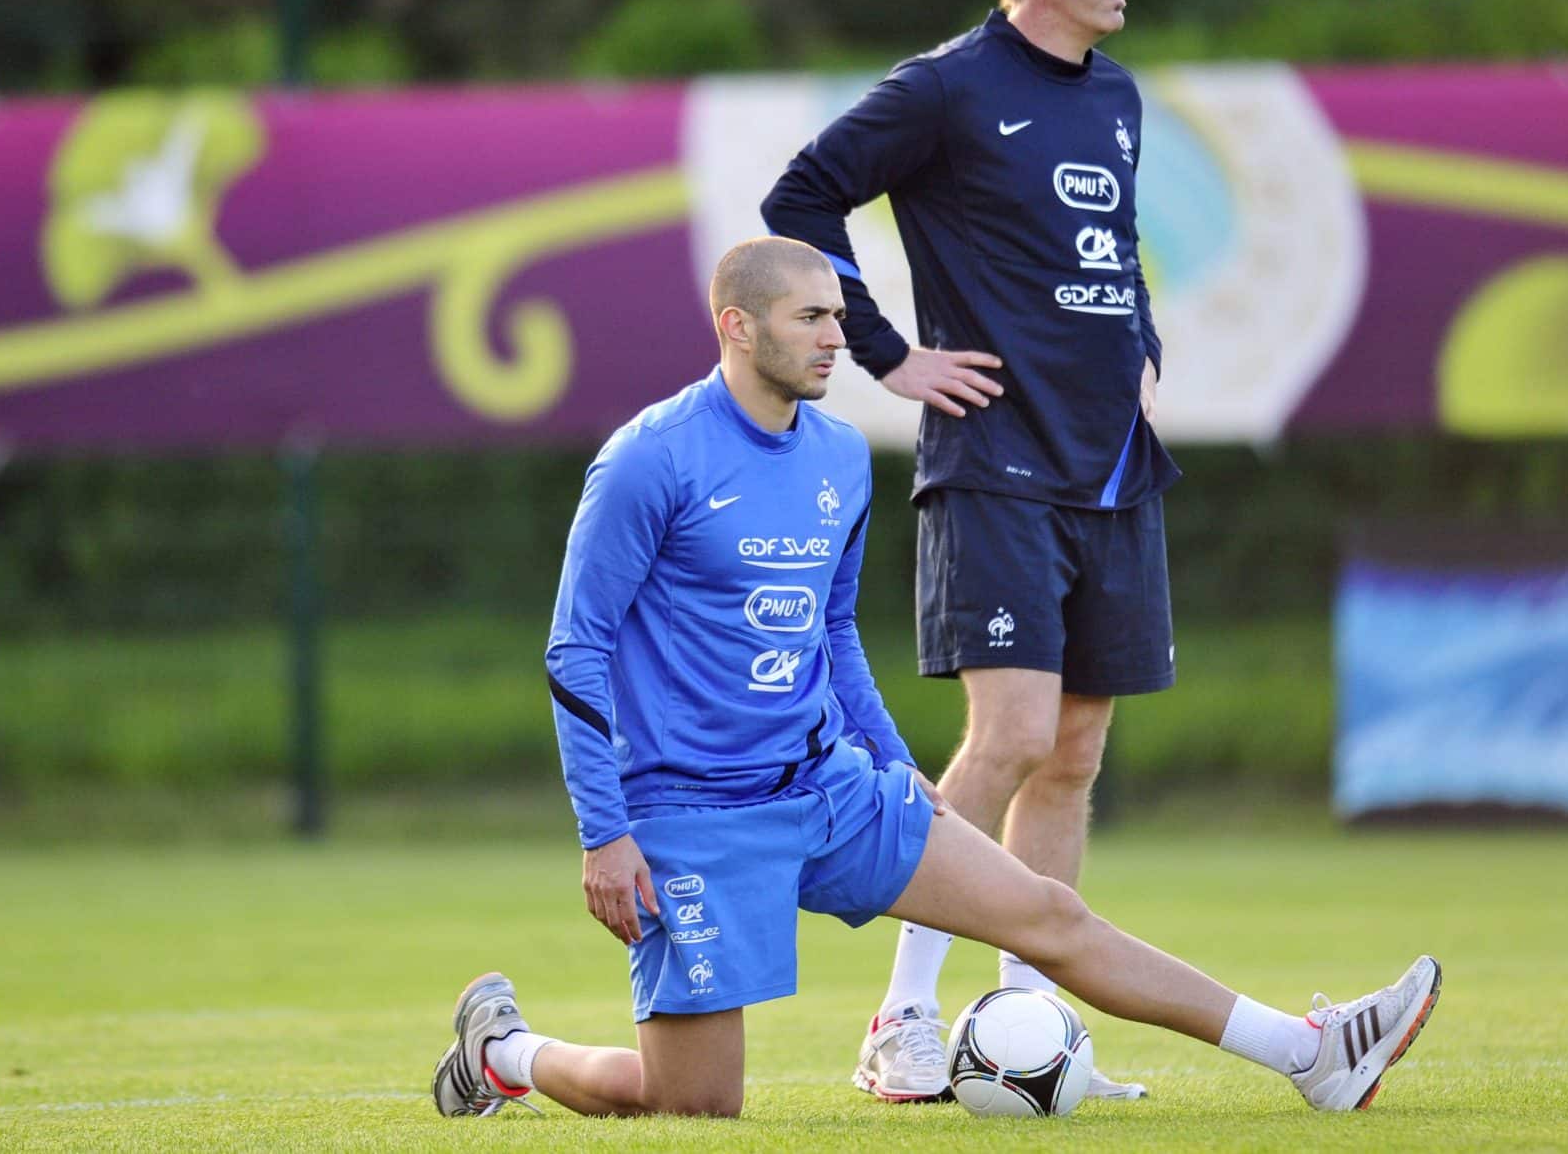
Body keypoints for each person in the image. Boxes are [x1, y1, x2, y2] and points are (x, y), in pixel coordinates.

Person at [430, 237, 1441, 1121]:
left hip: (828, 790)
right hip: (692, 815)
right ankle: (503, 1053)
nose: (837, 337)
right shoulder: (649, 460)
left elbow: (831, 635)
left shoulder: (834, 455)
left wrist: (886, 760)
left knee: (1049, 916)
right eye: (812, 318)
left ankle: (1311, 1055)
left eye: (839, 315)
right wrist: (604, 833)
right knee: (693, 1103)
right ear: (736, 327)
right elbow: (576, 649)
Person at [759, 0, 1187, 1100]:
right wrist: (889, 357)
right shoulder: (945, 85)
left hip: (1109, 463)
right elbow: (800, 196)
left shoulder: (1115, 97)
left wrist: (1139, 339)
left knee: (1075, 749)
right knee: (1005, 736)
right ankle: (897, 1024)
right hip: (994, 460)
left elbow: (1111, 249)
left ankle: (1030, 1039)